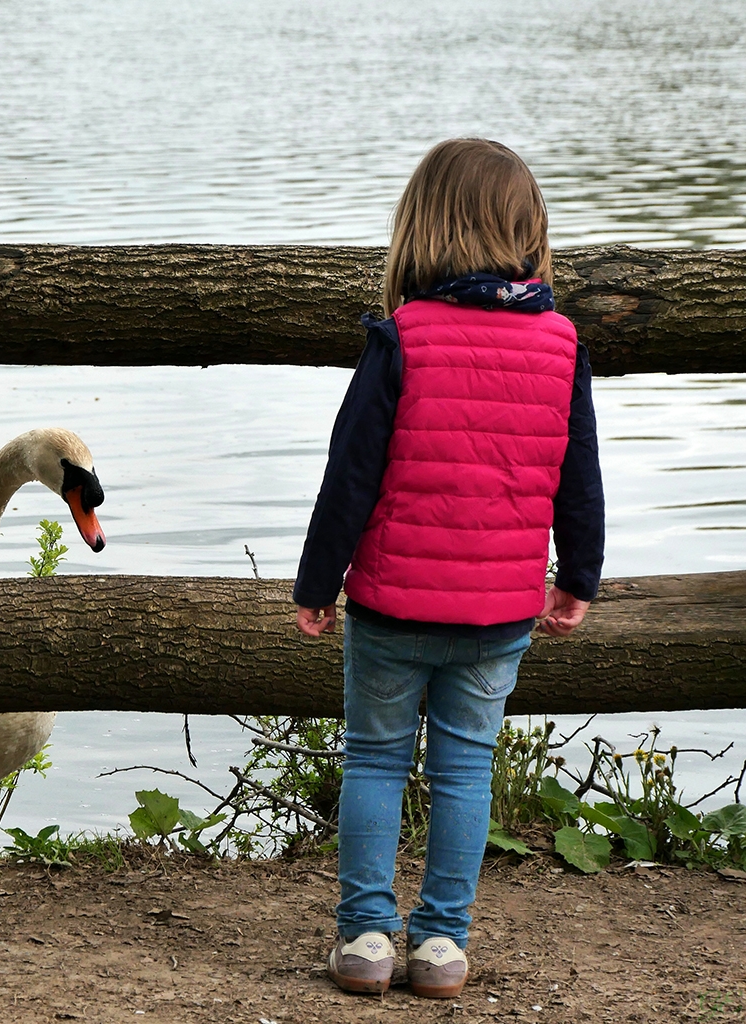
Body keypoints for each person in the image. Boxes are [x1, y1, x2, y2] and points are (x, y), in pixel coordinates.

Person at [293, 138, 605, 999]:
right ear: (529, 231)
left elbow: (348, 475)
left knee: (376, 761)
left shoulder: (402, 339)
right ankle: (440, 947)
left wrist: (316, 586)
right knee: (467, 767)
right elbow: (580, 478)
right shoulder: (560, 345)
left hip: (393, 606)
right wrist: (578, 578)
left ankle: (364, 940)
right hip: (500, 609)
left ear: (421, 229)